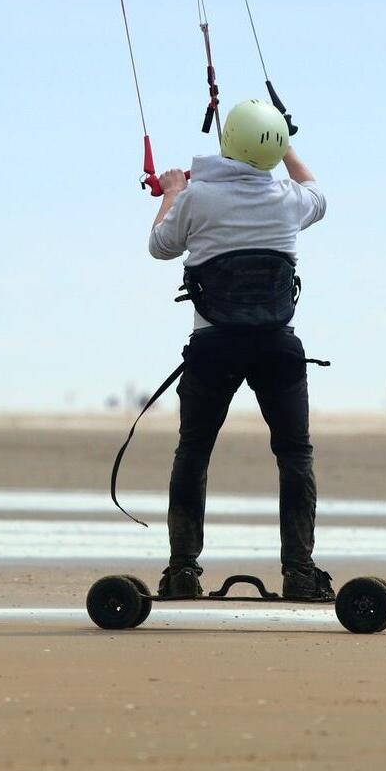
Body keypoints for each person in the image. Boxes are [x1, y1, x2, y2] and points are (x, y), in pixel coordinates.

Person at [148, 98, 334, 602]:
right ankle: (299, 571)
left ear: (227, 141)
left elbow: (161, 246)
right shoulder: (288, 200)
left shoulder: (196, 199)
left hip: (214, 346)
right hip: (278, 346)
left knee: (194, 451)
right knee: (294, 454)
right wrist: (287, 143)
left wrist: (171, 192)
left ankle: (182, 570)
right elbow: (317, 190)